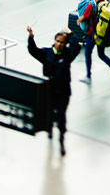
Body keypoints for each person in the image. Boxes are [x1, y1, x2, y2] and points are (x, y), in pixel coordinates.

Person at [26, 26, 81, 156]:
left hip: (63, 92)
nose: (59, 44)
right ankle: (50, 128)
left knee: (61, 116)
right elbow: (33, 51)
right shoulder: (47, 53)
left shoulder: (68, 54)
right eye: (57, 41)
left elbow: (77, 48)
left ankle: (61, 140)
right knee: (49, 112)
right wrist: (31, 37)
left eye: (62, 42)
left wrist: (71, 34)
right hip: (49, 91)